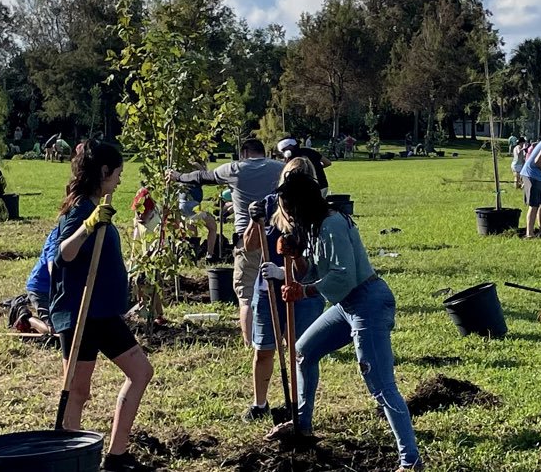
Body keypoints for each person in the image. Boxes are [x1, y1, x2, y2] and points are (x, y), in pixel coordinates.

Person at [265, 172, 420, 472]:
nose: (287, 214)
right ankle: (303, 424)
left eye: (288, 206)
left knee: (381, 385)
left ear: (300, 205)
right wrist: (295, 258)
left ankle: (410, 461)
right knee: (304, 352)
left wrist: (304, 291)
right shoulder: (314, 226)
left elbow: (343, 276)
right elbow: (310, 269)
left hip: (368, 302)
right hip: (346, 304)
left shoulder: (333, 223)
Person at [49, 142, 153, 472]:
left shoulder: (95, 205)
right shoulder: (80, 209)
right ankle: (70, 458)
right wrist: (89, 225)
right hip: (80, 315)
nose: (120, 181)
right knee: (78, 391)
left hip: (103, 313)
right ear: (104, 172)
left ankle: (116, 454)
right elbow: (64, 253)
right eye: (118, 174)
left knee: (141, 373)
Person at [167, 139, 284, 346]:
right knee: (278, 288)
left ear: (245, 152)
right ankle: (283, 337)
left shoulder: (235, 169)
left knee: (246, 294)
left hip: (247, 239)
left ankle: (250, 343)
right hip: (277, 237)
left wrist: (178, 177)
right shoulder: (280, 168)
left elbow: (203, 177)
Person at [242, 158, 325, 422]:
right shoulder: (269, 205)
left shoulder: (316, 212)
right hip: (268, 290)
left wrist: (287, 273)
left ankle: (300, 406)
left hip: (304, 291)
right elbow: (249, 246)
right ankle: (260, 404)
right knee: (264, 348)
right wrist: (255, 221)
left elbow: (317, 264)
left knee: (301, 350)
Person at [19, 226, 58, 335]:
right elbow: (52, 262)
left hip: (60, 290)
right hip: (41, 288)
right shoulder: (58, 233)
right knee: (52, 331)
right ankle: (26, 318)